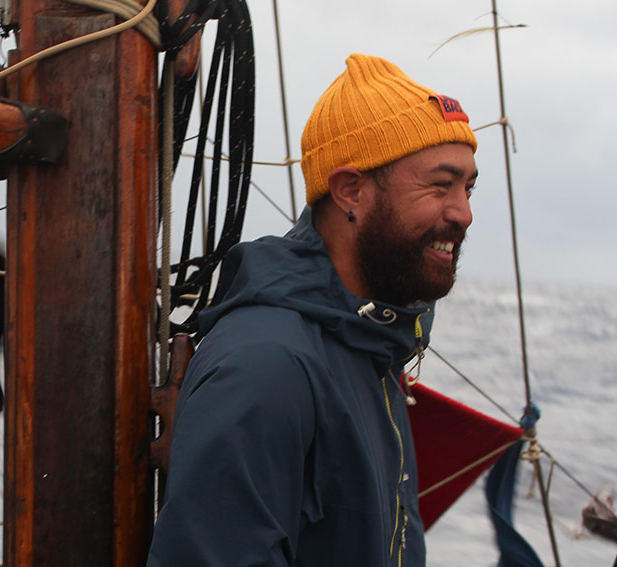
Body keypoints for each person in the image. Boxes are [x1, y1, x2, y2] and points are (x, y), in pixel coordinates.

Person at [147, 53, 478, 567]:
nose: (464, 213)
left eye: (467, 186)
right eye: (440, 185)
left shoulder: (373, 345)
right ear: (351, 190)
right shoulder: (266, 366)